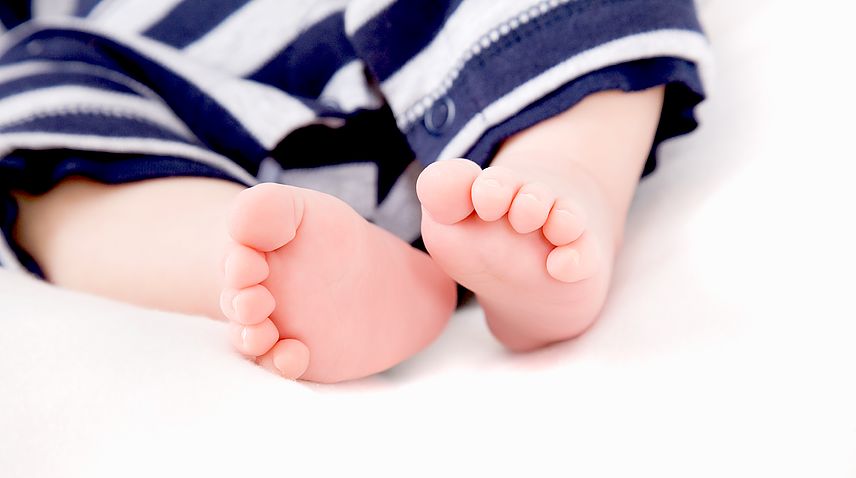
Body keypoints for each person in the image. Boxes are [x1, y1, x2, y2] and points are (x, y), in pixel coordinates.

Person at [0, 0, 708, 382]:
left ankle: (556, 179)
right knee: (30, 109)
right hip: (180, 100)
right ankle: (248, 255)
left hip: (459, 60)